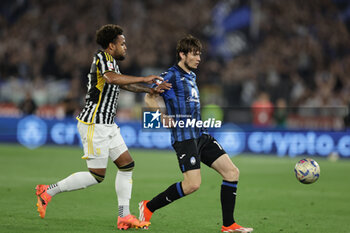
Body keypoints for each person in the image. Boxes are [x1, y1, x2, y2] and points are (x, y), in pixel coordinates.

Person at [35, 24, 171, 230]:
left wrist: (150, 89)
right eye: (122, 44)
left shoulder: (112, 63)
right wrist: (144, 77)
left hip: (108, 124)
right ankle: (47, 191)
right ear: (110, 45)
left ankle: (124, 216)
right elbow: (112, 79)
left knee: (127, 165)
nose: (126, 47)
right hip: (94, 124)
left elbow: (123, 84)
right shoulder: (101, 59)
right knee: (96, 175)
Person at [140, 35, 253, 233]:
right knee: (192, 185)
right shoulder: (170, 75)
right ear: (182, 55)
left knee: (232, 172)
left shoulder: (191, 75)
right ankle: (148, 207)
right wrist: (161, 115)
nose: (199, 58)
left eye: (200, 54)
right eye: (194, 54)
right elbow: (150, 97)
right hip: (184, 137)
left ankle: (228, 225)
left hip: (200, 134)